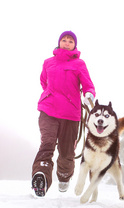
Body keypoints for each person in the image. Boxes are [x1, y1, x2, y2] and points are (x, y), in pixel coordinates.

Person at [31, 30, 96, 197]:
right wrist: (51, 94)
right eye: (64, 40)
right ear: (59, 42)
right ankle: (42, 177)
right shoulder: (48, 62)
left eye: (70, 41)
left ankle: (64, 176)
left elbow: (88, 84)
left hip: (71, 113)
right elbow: (43, 81)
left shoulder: (79, 64)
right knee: (47, 144)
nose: (67, 43)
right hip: (48, 109)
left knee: (67, 151)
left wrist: (89, 94)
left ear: (75, 45)